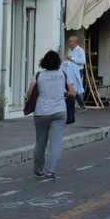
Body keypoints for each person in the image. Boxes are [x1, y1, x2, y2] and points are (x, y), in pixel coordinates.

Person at [28, 50, 76, 179]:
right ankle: (51, 171)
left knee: (40, 140)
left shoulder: (38, 75)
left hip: (41, 112)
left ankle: (38, 169)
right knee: (56, 142)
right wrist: (63, 93)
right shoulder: (63, 74)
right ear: (58, 62)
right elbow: (72, 93)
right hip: (59, 112)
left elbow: (30, 94)